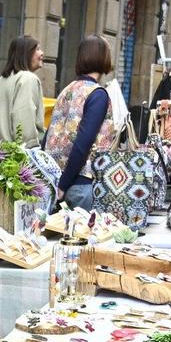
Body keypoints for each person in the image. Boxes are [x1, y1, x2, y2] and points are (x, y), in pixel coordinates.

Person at [46, 35, 131, 210]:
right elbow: (83, 142)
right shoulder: (97, 94)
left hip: (58, 179)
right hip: (82, 184)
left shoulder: (67, 89)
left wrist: (59, 183)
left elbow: (51, 134)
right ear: (101, 57)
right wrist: (63, 185)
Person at [0, 36, 47, 148]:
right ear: (25, 53)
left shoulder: (1, 81)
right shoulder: (28, 79)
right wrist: (31, 149)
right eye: (37, 49)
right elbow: (23, 126)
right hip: (17, 159)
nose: (42, 53)